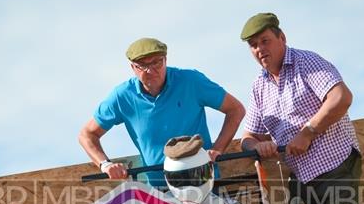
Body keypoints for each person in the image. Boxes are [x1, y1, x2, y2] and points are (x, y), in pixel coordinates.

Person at [238, 12, 364, 204]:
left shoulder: (307, 62)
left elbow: (341, 97)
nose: (260, 50)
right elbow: (248, 137)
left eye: (265, 41)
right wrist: (259, 146)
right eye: (253, 45)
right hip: (301, 176)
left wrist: (309, 131)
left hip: (336, 164)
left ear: (282, 38)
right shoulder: (259, 86)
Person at [78, 37, 246, 187]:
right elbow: (87, 134)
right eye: (142, 65)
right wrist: (105, 164)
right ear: (132, 67)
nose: (150, 71)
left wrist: (218, 149)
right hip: (161, 195)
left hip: (204, 183)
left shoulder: (191, 81)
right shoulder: (122, 96)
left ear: (166, 60)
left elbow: (236, 109)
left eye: (156, 62)